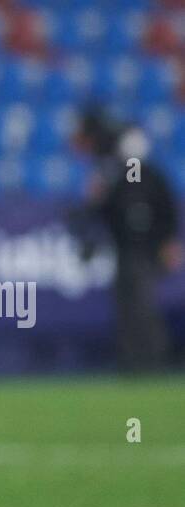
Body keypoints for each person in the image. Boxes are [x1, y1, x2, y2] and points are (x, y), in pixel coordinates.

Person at [72, 106, 182, 372]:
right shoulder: (119, 177)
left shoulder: (148, 178)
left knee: (141, 304)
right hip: (125, 248)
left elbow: (166, 211)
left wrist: (168, 241)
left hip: (144, 249)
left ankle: (152, 359)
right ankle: (134, 360)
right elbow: (106, 211)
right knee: (128, 305)